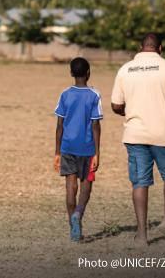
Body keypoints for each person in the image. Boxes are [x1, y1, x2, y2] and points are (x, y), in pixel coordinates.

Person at [111, 33, 165, 248]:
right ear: (159, 48)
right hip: (164, 135)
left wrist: (131, 111)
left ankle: (141, 237)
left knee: (140, 182)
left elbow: (115, 106)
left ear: (141, 47)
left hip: (135, 135)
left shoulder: (125, 69)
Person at [53, 57, 103, 242]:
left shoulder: (65, 94)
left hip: (67, 147)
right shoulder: (94, 94)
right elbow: (96, 125)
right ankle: (79, 213)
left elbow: (59, 125)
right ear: (88, 73)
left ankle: (75, 228)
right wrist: (97, 152)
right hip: (87, 148)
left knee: (70, 187)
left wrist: (57, 152)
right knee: (86, 186)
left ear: (71, 73)